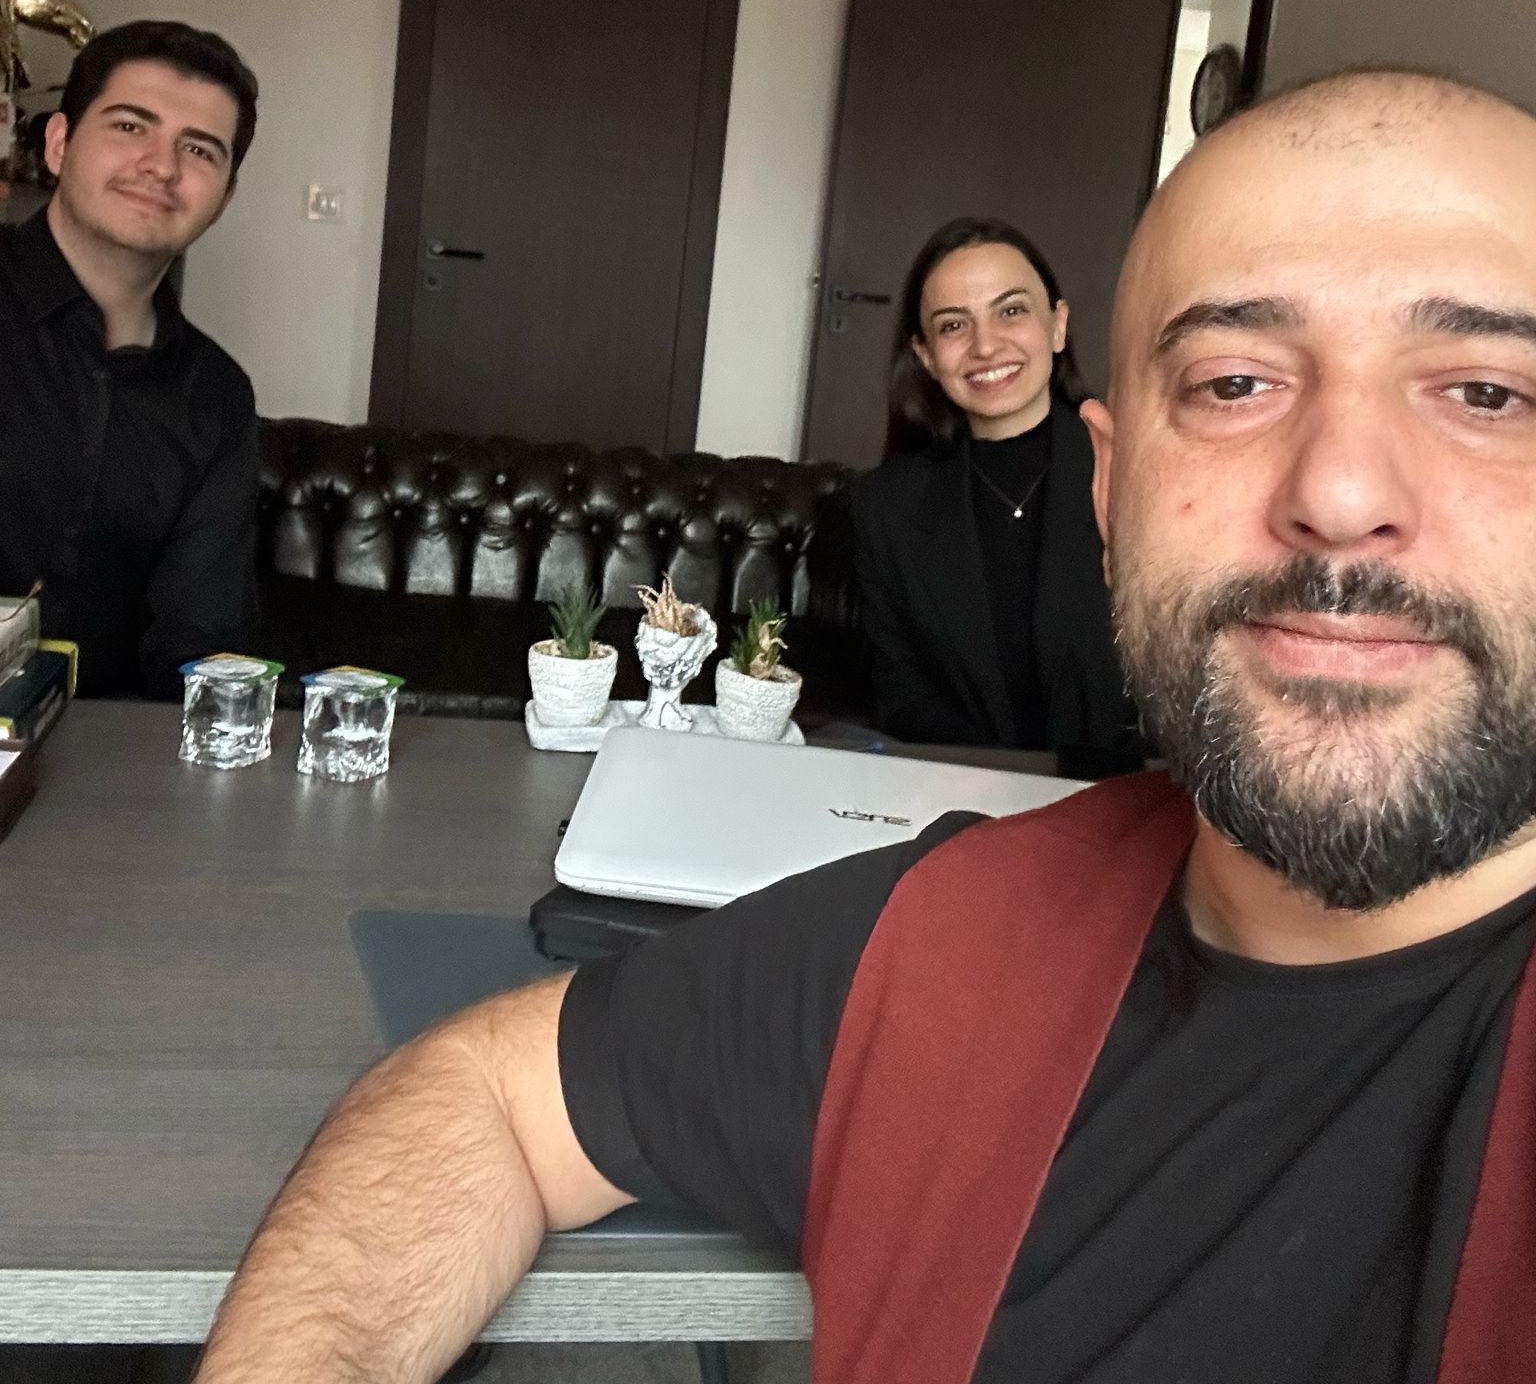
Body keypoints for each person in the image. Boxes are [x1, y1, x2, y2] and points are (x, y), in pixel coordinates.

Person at [194, 68, 1536, 1384]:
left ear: (1056, 327)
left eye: (1488, 391)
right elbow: (486, 1090)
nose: (1342, 489)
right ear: (1113, 479)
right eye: (1235, 383)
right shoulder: (941, 931)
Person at [0, 19, 260, 698]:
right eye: (129, 126)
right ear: (58, 144)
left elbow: (197, 644)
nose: (162, 165)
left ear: (224, 197)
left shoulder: (218, 397)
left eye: (199, 149)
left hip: (110, 757)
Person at [847, 217, 1137, 772]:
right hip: (959, 793)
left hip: (1121, 797)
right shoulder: (883, 506)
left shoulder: (1134, 472)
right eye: (954, 325)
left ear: (1057, 324)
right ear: (926, 355)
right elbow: (901, 697)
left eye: (1011, 311)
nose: (985, 345)